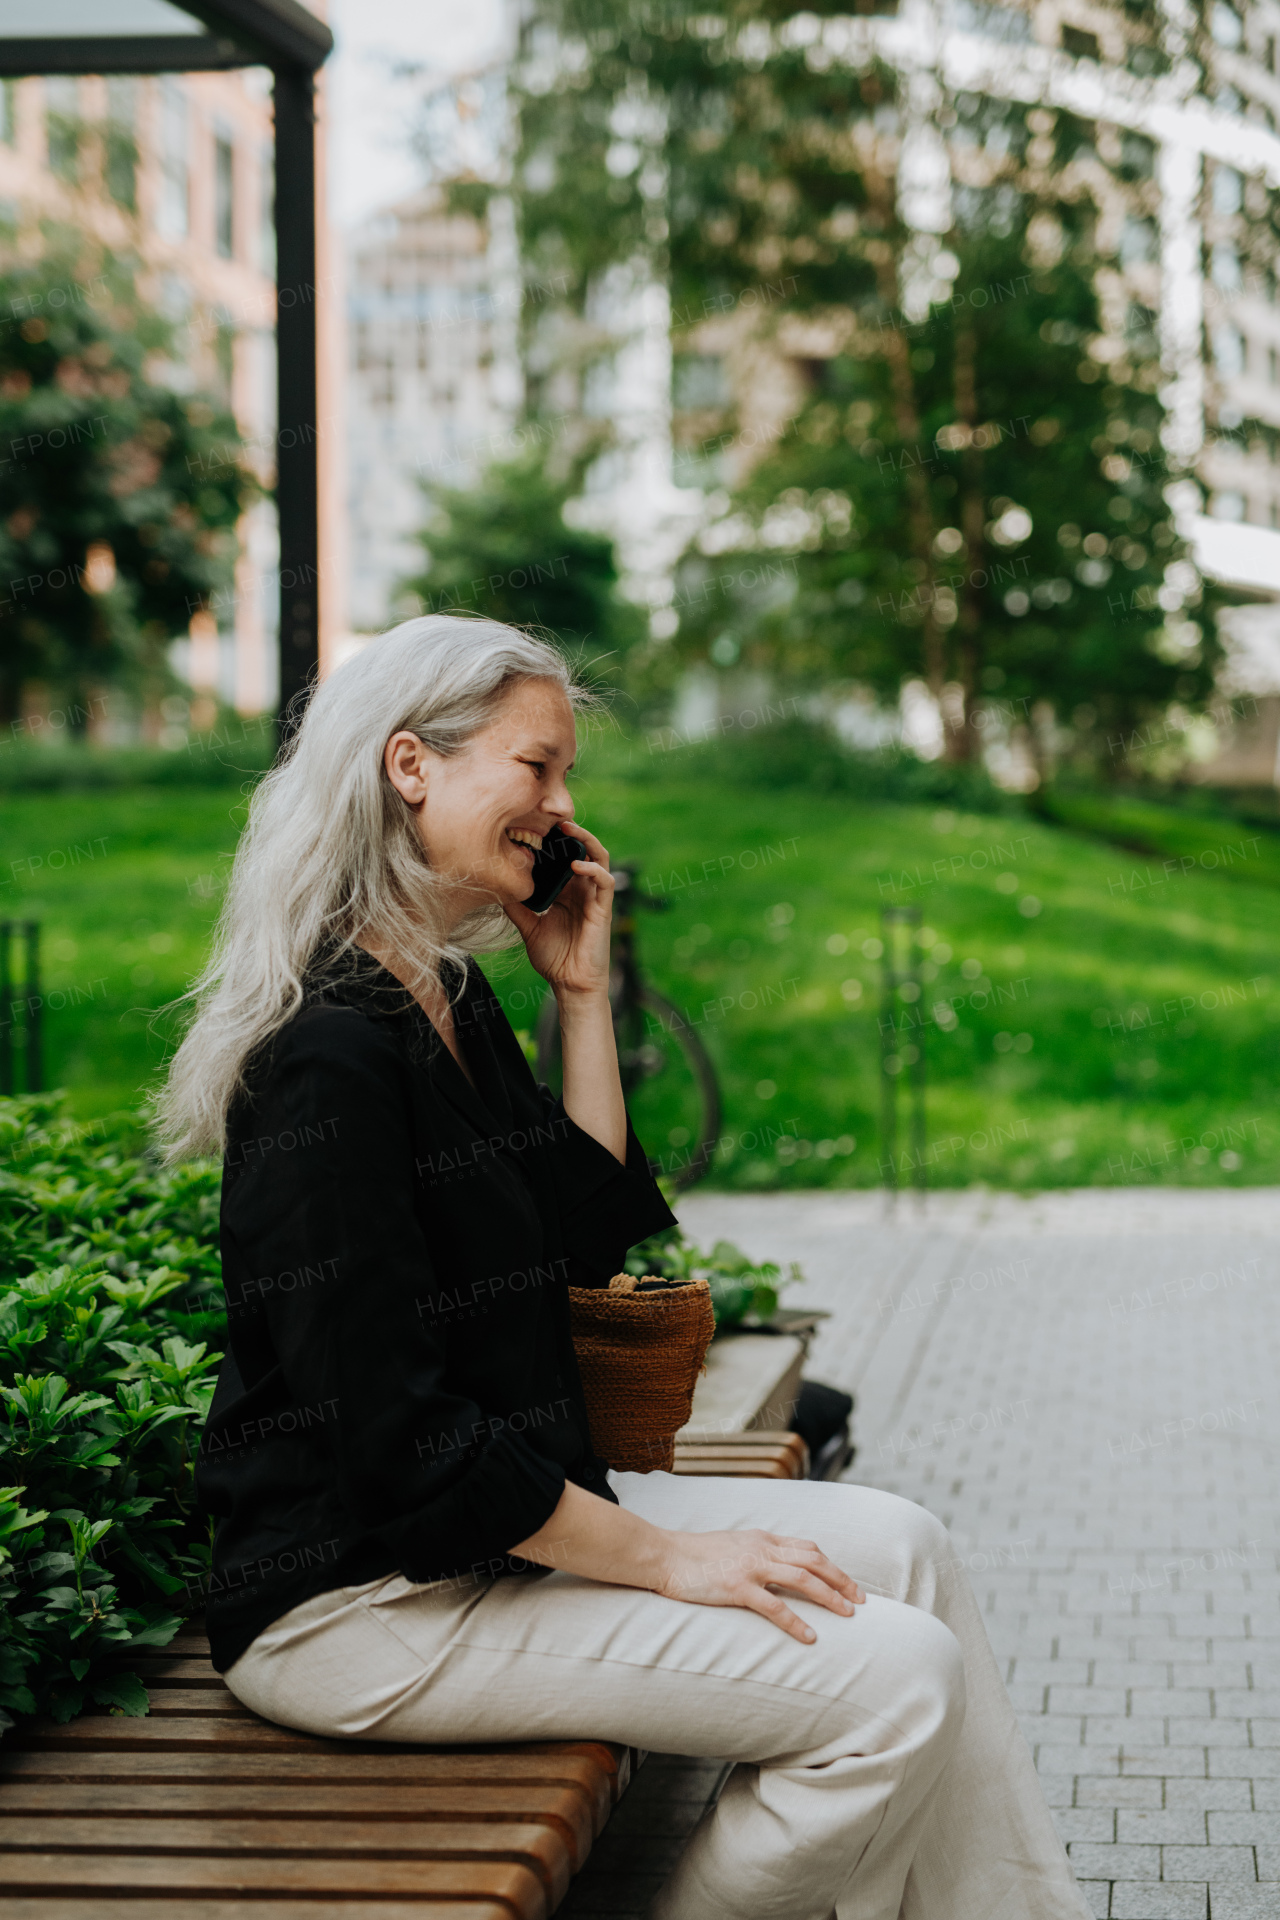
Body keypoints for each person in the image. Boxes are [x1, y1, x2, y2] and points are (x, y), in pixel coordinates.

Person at [161, 615, 1091, 1920]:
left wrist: (581, 996)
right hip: (359, 1605)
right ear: (412, 766)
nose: (563, 807)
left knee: (909, 1548)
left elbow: (577, 1227)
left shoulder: (441, 994)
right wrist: (663, 1557)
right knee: (898, 1684)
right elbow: (398, 1439)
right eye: (538, 768)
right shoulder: (327, 1056)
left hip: (486, 1539)